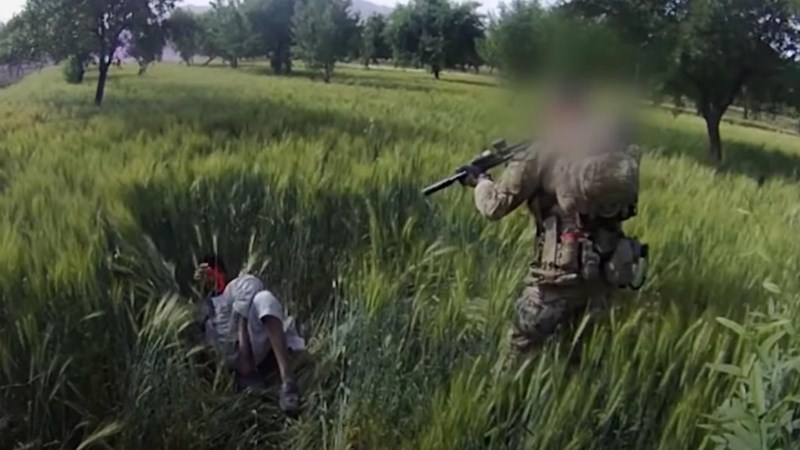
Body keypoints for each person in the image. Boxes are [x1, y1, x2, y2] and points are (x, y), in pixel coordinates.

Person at [461, 85, 648, 364]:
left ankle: (501, 404)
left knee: (517, 353)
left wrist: (481, 181)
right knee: (577, 360)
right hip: (605, 276)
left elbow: (494, 207)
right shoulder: (613, 150)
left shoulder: (542, 150)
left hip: (556, 280)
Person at [195, 253, 305, 412]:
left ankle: (287, 382)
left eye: (212, 272)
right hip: (228, 355)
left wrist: (242, 326)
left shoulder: (234, 289)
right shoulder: (204, 307)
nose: (209, 278)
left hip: (253, 346)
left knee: (264, 298)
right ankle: (244, 376)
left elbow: (252, 283)